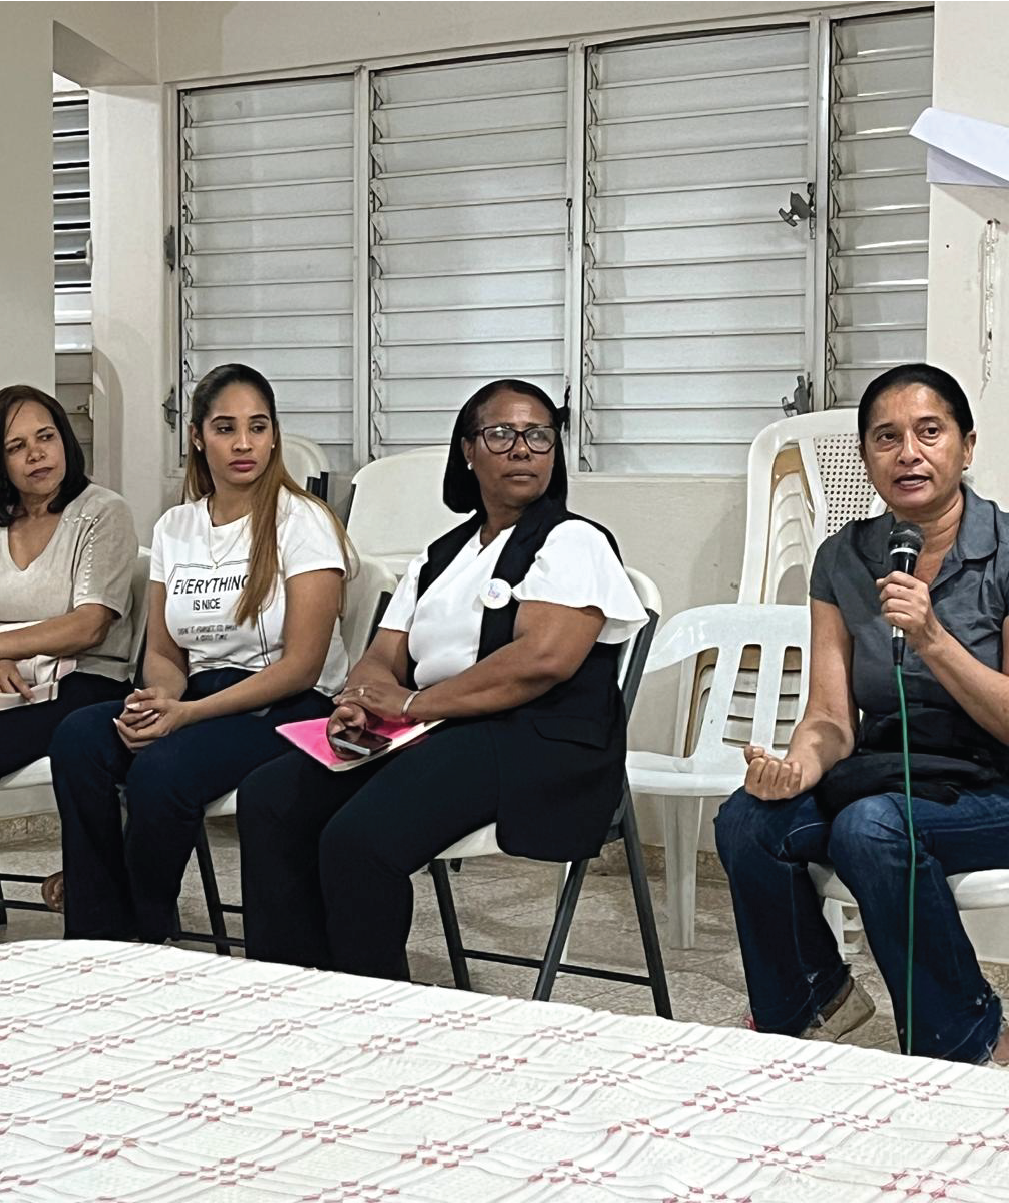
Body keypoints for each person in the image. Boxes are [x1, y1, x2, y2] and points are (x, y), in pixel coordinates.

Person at [237, 378, 647, 979]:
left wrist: (414, 702)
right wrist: (359, 701)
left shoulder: (574, 540)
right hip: (434, 729)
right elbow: (383, 653)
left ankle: (375, 1008)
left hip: (534, 738)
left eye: (539, 435)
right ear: (467, 450)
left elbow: (544, 660)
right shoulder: (440, 555)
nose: (523, 449)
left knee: (358, 840)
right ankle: (294, 985)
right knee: (271, 798)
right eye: (502, 433)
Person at [716, 363, 1009, 1067]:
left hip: (992, 787)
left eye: (928, 432)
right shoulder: (842, 559)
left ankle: (969, 1040)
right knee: (748, 819)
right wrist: (795, 767)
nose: (907, 452)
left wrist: (933, 639)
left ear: (965, 448)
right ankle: (812, 1002)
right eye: (885, 437)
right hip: (888, 778)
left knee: (867, 827)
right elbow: (829, 717)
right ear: (865, 457)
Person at [48, 363, 354, 943]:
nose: (244, 444)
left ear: (274, 435)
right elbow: (164, 650)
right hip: (201, 694)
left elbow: (303, 666)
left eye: (258, 427)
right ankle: (94, 926)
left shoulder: (304, 521)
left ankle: (139, 935)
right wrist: (159, 700)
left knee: (164, 771)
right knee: (79, 736)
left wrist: (186, 716)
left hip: (290, 704)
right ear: (196, 437)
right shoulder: (175, 527)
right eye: (225, 428)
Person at [0, 385, 137, 779]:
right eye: (16, 446)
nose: (36, 454)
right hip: (16, 682)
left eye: (46, 436)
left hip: (85, 684)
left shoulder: (102, 511)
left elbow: (88, 626)